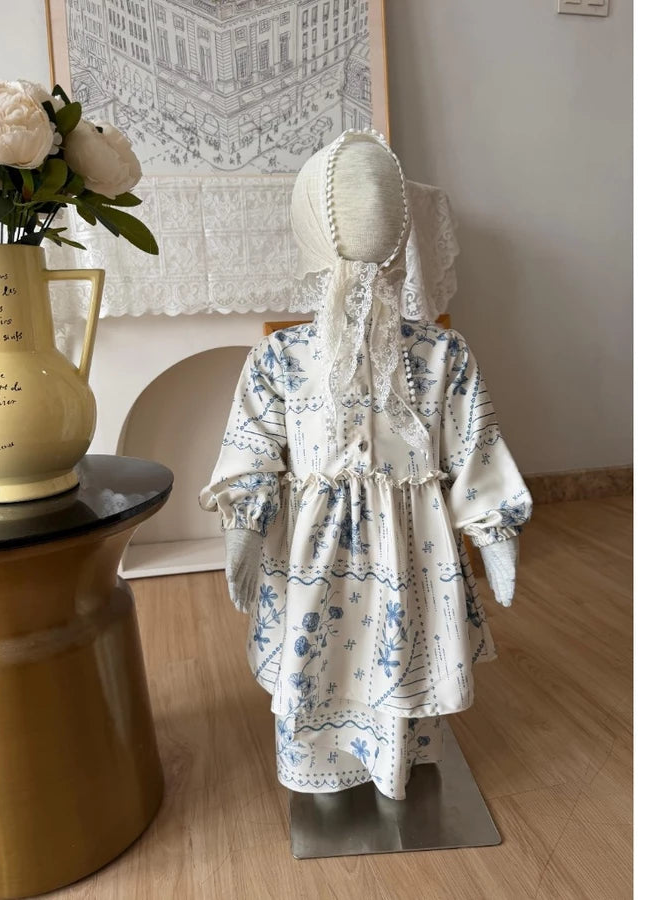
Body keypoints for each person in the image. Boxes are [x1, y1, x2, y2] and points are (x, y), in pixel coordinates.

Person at [199, 129, 532, 800]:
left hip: (411, 549)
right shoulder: (283, 358)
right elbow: (254, 452)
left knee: (398, 647)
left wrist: (493, 531)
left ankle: (398, 760)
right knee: (321, 658)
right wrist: (242, 532)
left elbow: (474, 448)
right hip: (314, 557)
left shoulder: (440, 354)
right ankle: (324, 768)